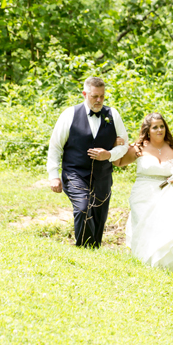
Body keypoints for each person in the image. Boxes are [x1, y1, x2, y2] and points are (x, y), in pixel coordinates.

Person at [113, 113, 173, 275]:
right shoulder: (138, 148)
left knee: (169, 229)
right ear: (148, 130)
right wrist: (115, 145)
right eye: (155, 127)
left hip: (170, 194)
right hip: (143, 195)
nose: (159, 130)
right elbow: (118, 162)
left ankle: (172, 269)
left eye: (162, 126)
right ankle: (145, 267)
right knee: (146, 229)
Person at [47, 77, 129, 248]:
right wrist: (53, 175)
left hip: (103, 175)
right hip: (74, 173)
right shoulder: (69, 114)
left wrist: (109, 154)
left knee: (99, 215)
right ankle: (83, 249)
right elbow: (55, 146)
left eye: (102, 96)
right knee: (83, 207)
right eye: (94, 96)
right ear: (85, 94)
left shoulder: (113, 115)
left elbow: (124, 145)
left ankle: (93, 250)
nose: (99, 100)